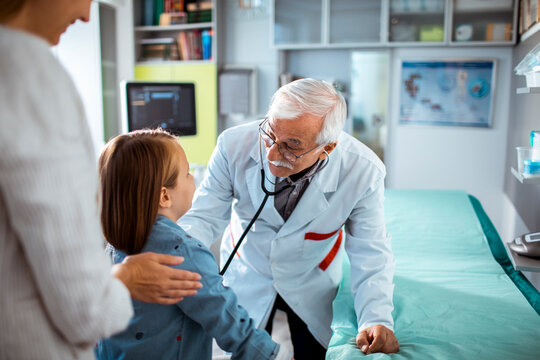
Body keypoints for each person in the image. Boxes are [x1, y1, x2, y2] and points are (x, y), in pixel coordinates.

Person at [0, 1, 201, 358]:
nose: (86, 16)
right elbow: (85, 311)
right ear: (163, 195)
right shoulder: (27, 74)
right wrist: (124, 280)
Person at [179, 78, 400, 358]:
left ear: (327, 148)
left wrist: (376, 317)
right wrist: (170, 259)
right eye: (269, 133)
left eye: (291, 145)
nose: (271, 153)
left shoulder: (363, 171)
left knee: (313, 352)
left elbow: (370, 251)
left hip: (310, 279)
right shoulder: (232, 145)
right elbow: (203, 217)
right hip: (248, 270)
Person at [95, 129, 292, 360]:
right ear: (164, 196)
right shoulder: (183, 254)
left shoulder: (107, 248)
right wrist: (276, 356)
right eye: (187, 173)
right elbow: (230, 324)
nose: (193, 179)